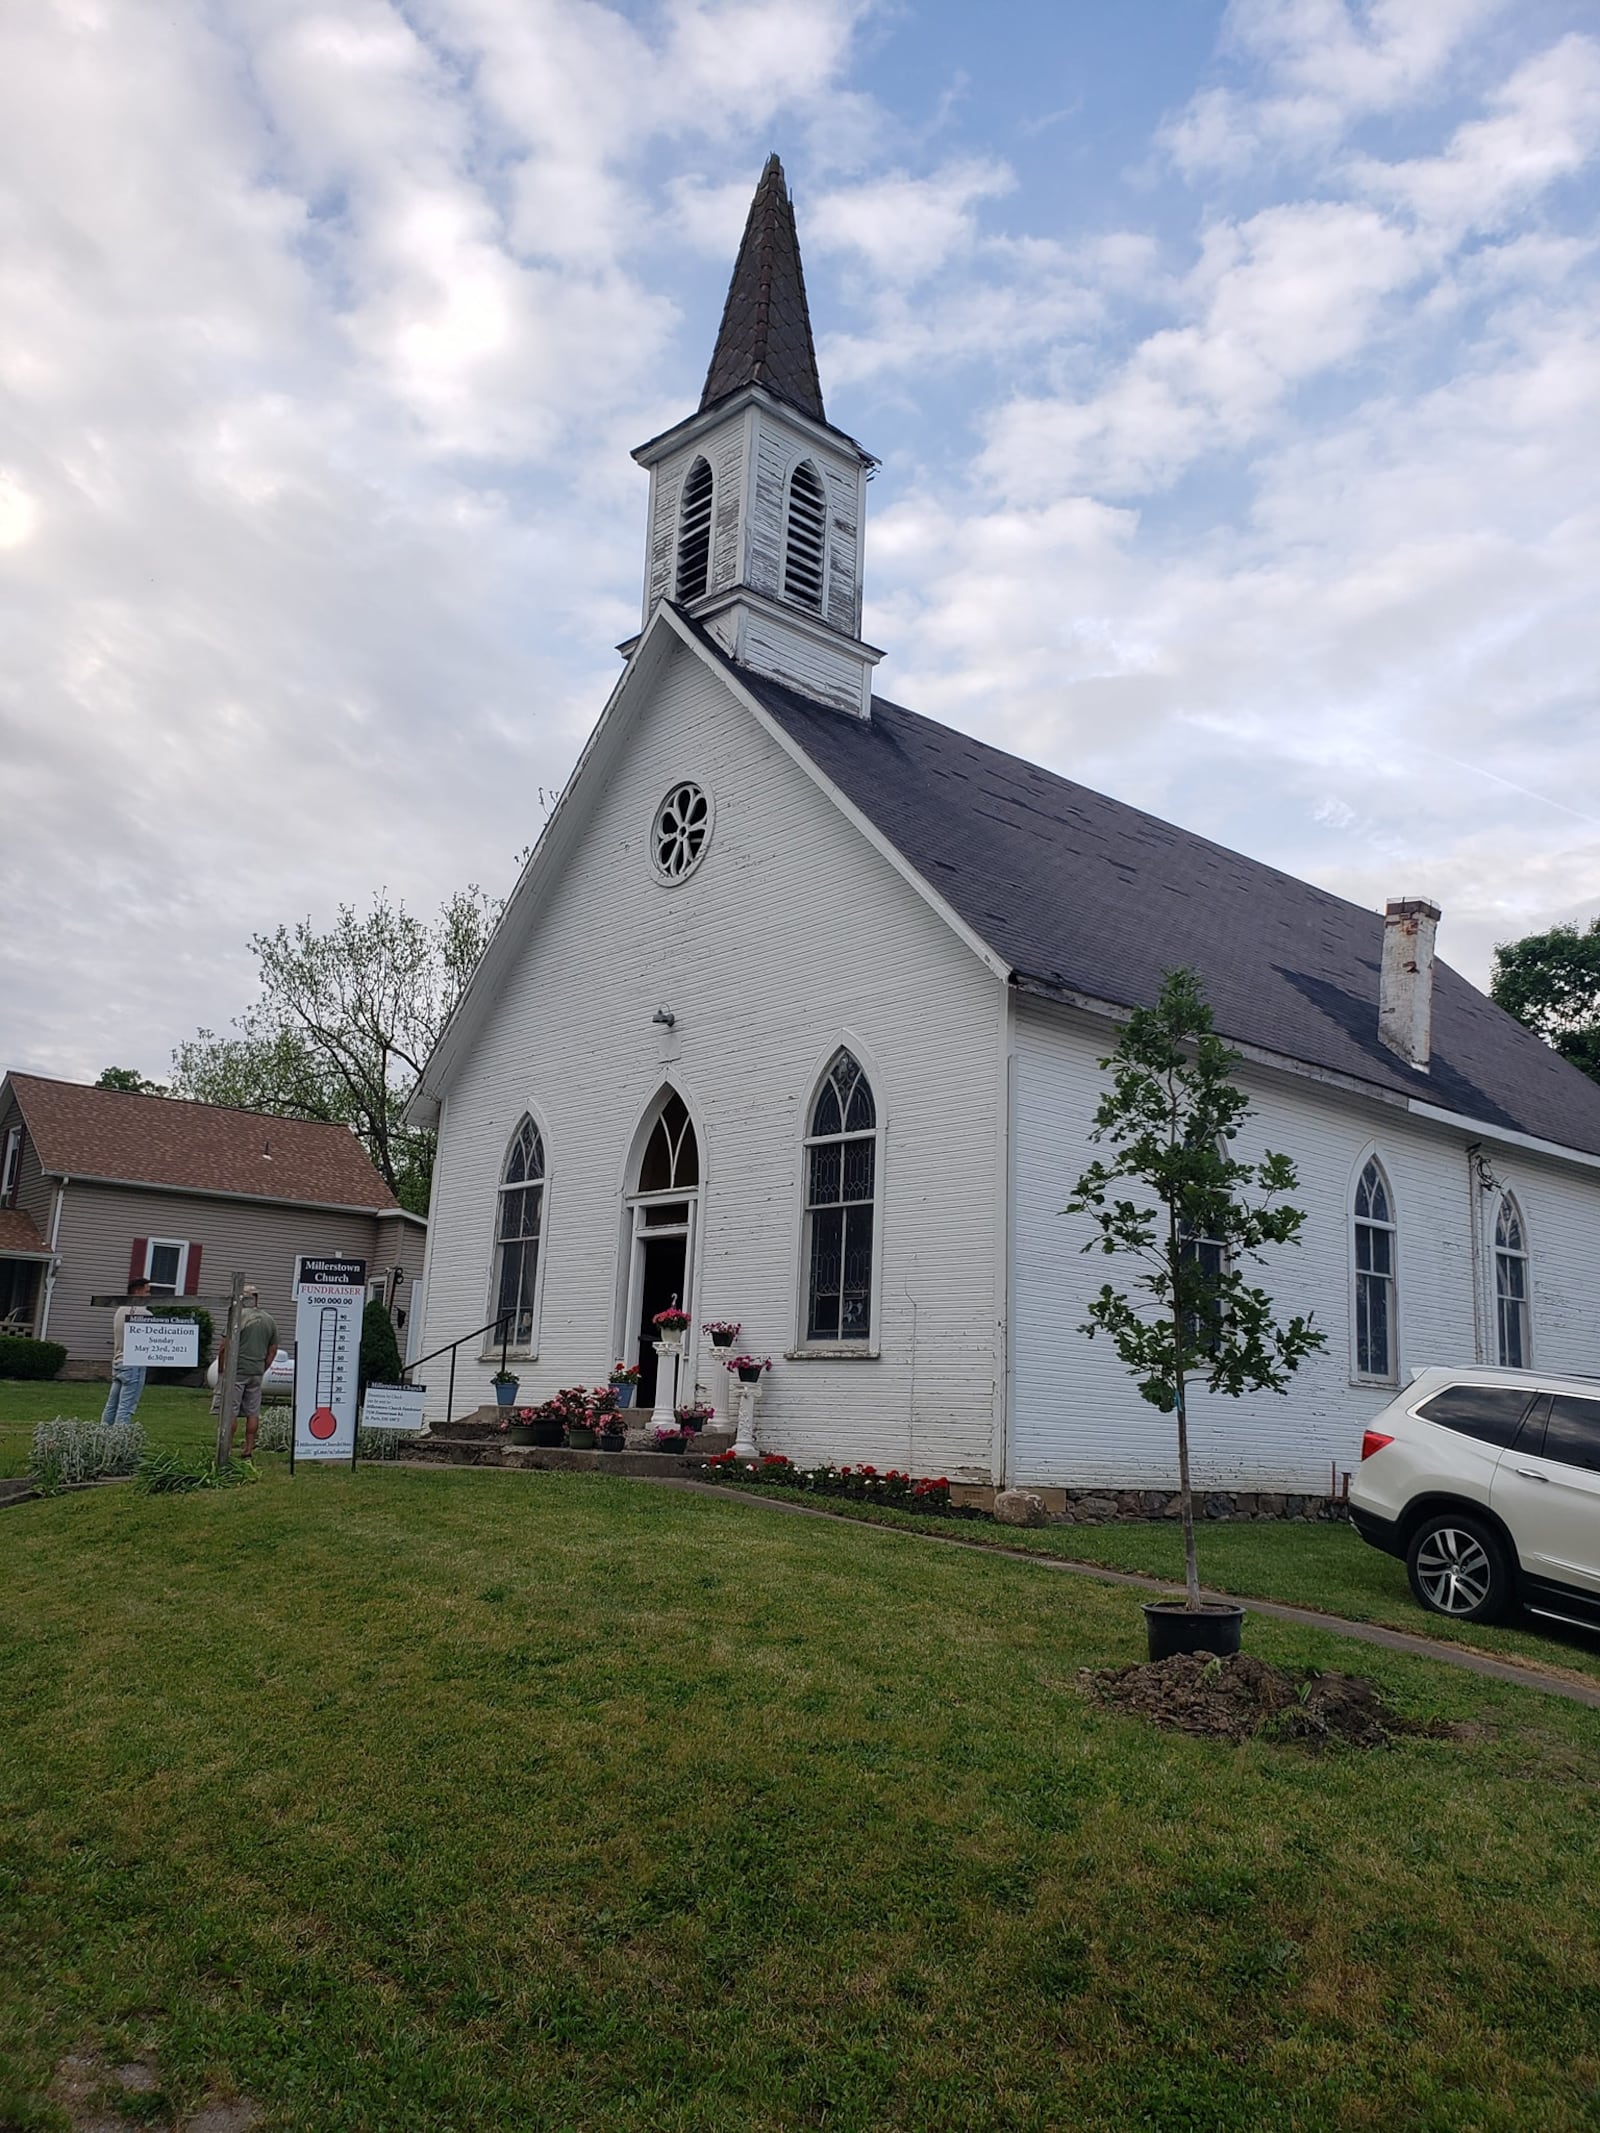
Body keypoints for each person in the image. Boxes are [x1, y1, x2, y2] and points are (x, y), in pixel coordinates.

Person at [213, 1284, 279, 1465]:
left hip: (237, 1370)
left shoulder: (236, 1318)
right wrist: (263, 1367)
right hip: (256, 1371)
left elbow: (223, 1346)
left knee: (230, 1411)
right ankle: (248, 1449)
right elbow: (273, 1349)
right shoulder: (269, 1320)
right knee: (253, 1411)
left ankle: (226, 1447)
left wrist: (221, 1369)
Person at [102, 1276, 152, 1428]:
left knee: (112, 1404)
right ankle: (119, 1441)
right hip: (133, 1363)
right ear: (138, 1291)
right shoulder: (143, 1313)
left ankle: (103, 1434)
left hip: (118, 1361)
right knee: (126, 1407)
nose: (149, 1295)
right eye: (147, 1291)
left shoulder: (120, 1310)